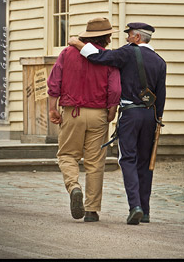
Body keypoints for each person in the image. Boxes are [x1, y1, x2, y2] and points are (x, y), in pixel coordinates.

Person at [69, 22, 166, 225]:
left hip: (130, 114)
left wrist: (78, 44)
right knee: (145, 162)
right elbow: (161, 96)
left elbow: (100, 57)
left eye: (129, 35)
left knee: (127, 159)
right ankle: (145, 210)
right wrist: (158, 120)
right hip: (151, 115)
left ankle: (135, 206)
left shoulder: (129, 53)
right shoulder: (160, 61)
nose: (127, 38)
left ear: (137, 38)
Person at [47, 17, 121, 222]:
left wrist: (53, 108)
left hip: (72, 112)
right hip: (98, 114)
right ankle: (91, 210)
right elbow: (115, 88)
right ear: (105, 37)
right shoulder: (108, 58)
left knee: (67, 155)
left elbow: (54, 82)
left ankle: (74, 187)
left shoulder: (67, 53)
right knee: (95, 162)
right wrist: (112, 110)